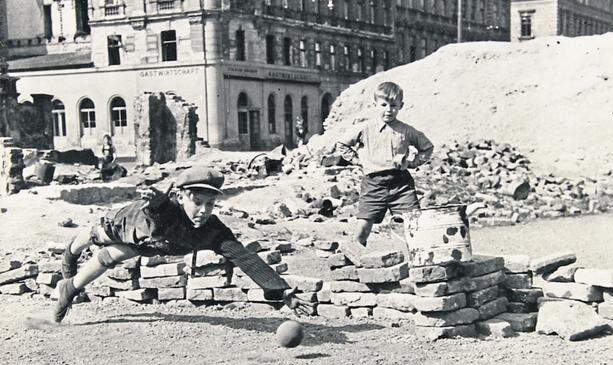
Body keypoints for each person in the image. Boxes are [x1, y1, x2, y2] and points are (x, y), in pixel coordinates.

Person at [54, 166, 314, 323]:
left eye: (210, 204)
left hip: (162, 245)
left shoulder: (214, 230)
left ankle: (70, 289)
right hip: (136, 225)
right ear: (181, 197)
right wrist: (157, 203)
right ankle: (70, 253)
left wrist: (282, 292)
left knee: (111, 257)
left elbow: (245, 258)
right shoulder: (169, 210)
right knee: (97, 235)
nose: (203, 210)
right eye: (197, 202)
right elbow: (162, 213)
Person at [336, 81, 434, 247]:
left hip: (401, 184)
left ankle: (421, 259)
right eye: (383, 105)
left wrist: (412, 163)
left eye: (394, 105)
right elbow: (342, 144)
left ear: (401, 106)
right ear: (375, 104)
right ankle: (355, 257)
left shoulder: (407, 130)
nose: (389, 110)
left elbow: (427, 147)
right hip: (373, 184)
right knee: (363, 226)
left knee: (414, 224)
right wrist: (358, 161)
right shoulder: (364, 128)